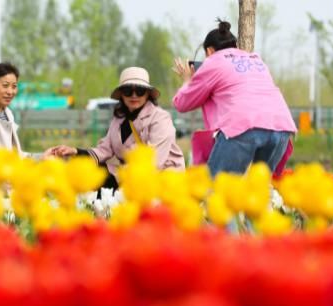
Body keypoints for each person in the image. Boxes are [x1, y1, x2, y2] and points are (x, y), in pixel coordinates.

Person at [172, 20, 296, 177]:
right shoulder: (256, 59)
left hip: (243, 126)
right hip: (281, 126)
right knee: (259, 190)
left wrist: (187, 81)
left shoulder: (212, 62)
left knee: (219, 189)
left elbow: (182, 103)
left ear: (209, 51)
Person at [45, 67, 185, 190]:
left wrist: (118, 177)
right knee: (92, 171)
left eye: (140, 90)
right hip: (130, 177)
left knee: (105, 179)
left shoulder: (160, 118)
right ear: (121, 94)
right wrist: (75, 151)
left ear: (148, 94)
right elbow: (104, 150)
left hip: (161, 178)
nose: (134, 95)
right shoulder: (118, 119)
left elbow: (154, 162)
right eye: (128, 90)